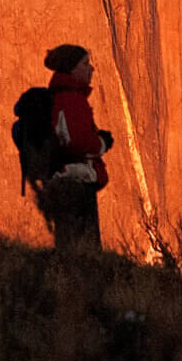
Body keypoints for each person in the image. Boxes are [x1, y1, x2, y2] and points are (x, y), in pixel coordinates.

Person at [39, 42, 112, 252]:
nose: (91, 68)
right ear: (72, 68)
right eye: (85, 63)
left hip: (64, 182)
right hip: (76, 184)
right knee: (84, 252)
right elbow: (78, 142)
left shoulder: (59, 97)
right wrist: (102, 143)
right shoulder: (71, 99)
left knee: (69, 248)